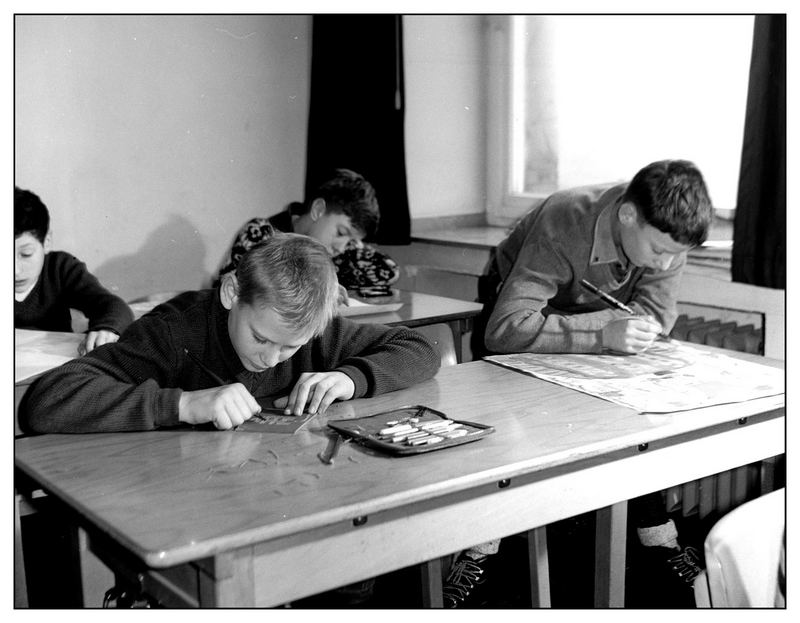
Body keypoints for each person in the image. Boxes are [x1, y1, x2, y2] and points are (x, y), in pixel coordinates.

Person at [447, 160, 713, 608]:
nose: (666, 263)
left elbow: (657, 315)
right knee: (508, 424)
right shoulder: (565, 219)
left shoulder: (667, 233)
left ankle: (657, 536)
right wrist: (600, 332)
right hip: (518, 312)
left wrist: (620, 330)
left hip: (590, 325)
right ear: (628, 215)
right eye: (659, 251)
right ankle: (479, 548)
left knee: (637, 414)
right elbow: (506, 327)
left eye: (676, 255)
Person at [19, 232, 440, 434]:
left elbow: (420, 347)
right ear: (231, 293)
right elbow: (46, 402)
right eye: (261, 339)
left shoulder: (313, 331)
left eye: (290, 346)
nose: (273, 358)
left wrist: (351, 377)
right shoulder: (173, 332)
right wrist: (182, 404)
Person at [217, 168, 399, 293]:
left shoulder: (338, 251)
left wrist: (351, 244)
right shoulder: (260, 233)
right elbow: (248, 291)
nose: (342, 248)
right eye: (341, 233)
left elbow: (389, 271)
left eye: (350, 241)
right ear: (318, 209)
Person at [15, 187, 133, 355]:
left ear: (46, 242)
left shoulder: (60, 268)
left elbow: (112, 306)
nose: (15, 270)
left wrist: (106, 329)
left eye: (26, 254)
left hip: (56, 367)